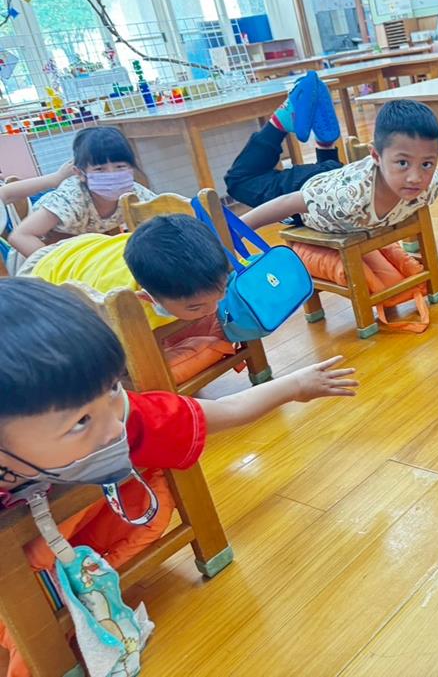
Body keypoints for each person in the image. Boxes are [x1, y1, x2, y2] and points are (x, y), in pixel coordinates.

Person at [0, 277, 357, 677]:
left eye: (113, 388)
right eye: (80, 421)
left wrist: (294, 385)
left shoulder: (121, 416)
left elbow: (225, 411)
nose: (114, 427)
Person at [241, 99, 438, 233]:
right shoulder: (350, 196)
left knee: (334, 173)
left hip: (338, 175)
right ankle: (281, 121)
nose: (415, 177)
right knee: (240, 183)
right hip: (306, 188)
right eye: (403, 163)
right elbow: (290, 201)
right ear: (376, 155)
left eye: (427, 163)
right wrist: (243, 228)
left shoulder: (425, 185)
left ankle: (325, 143)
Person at [21, 214, 230, 332]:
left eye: (221, 294)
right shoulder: (121, 308)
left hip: (94, 246)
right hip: (46, 269)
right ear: (148, 298)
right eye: (195, 307)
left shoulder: (206, 271)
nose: (212, 309)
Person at [3, 127, 155, 267]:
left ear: (131, 167)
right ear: (80, 174)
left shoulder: (133, 193)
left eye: (120, 167)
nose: (112, 175)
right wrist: (62, 267)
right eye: (99, 169)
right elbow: (20, 236)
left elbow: (163, 214)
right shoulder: (71, 198)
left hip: (90, 251)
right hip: (44, 255)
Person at [224, 70, 343, 210]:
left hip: (339, 189)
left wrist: (247, 221)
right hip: (343, 189)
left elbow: (286, 202)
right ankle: (283, 122)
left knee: (240, 181)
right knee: (240, 181)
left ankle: (325, 147)